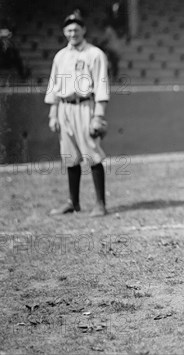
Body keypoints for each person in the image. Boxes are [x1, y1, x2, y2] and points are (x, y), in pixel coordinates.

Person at [44, 11, 110, 217]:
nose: (73, 33)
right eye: (69, 29)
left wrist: (98, 115)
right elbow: (54, 85)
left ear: (84, 30)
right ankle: (73, 202)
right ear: (64, 32)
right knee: (69, 156)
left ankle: (100, 204)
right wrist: (53, 114)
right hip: (64, 107)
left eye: (76, 29)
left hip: (84, 106)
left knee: (91, 152)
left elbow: (101, 84)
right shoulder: (60, 56)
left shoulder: (94, 54)